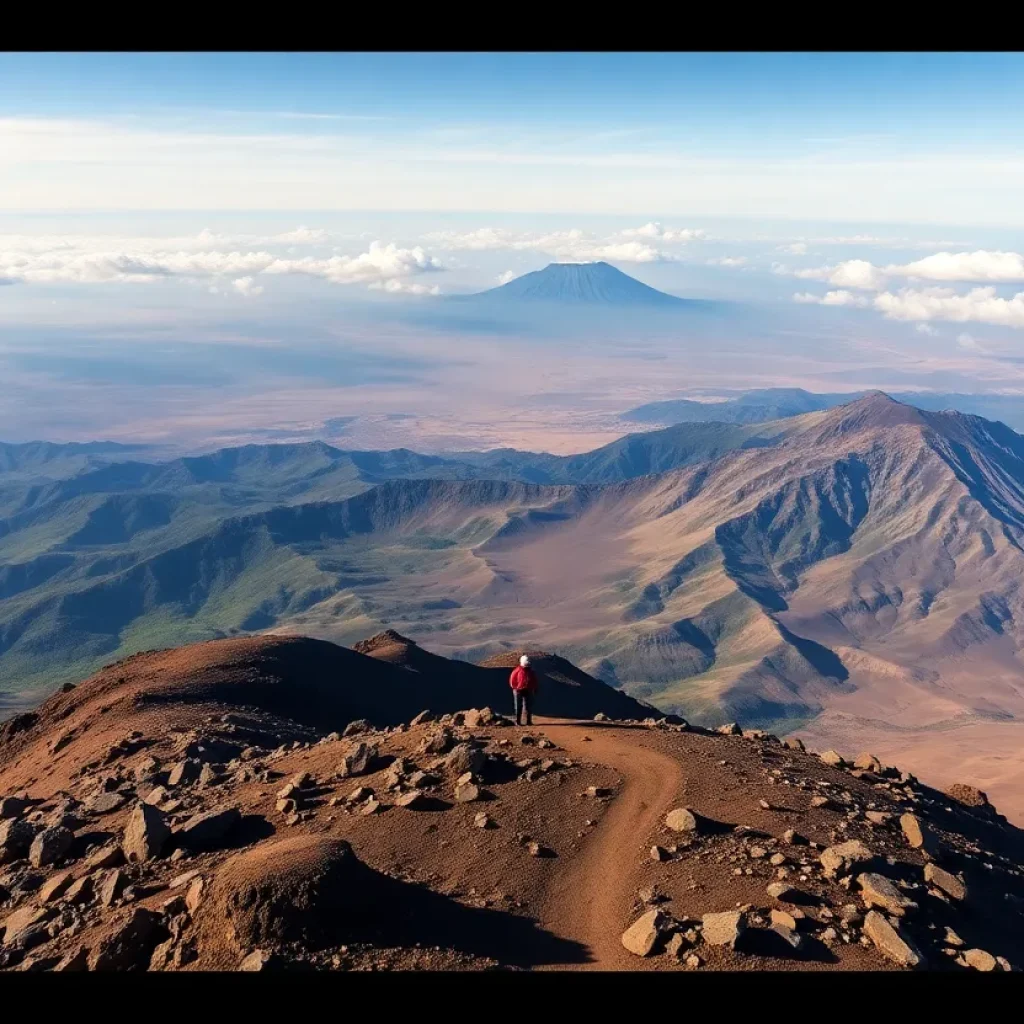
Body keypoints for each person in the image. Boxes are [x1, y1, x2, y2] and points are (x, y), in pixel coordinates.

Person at [509, 654, 538, 726]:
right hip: (518, 690)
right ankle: (518, 721)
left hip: (528, 690)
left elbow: (534, 680)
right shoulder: (517, 670)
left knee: (528, 706)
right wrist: (515, 688)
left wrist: (534, 688)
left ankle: (528, 721)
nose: (527, 665)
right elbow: (512, 680)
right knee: (518, 706)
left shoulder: (531, 671)